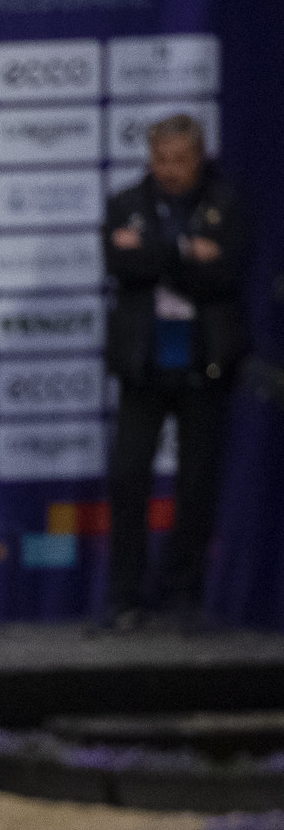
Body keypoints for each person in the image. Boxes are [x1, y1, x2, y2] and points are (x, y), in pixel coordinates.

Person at [101, 114, 250, 630]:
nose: (169, 170)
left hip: (202, 362)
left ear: (199, 158)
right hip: (144, 365)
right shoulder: (125, 204)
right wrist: (185, 252)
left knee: (197, 483)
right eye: (160, 159)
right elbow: (121, 268)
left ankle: (184, 592)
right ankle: (126, 595)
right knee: (128, 476)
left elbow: (225, 273)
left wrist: (154, 254)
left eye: (179, 160)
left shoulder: (226, 204)